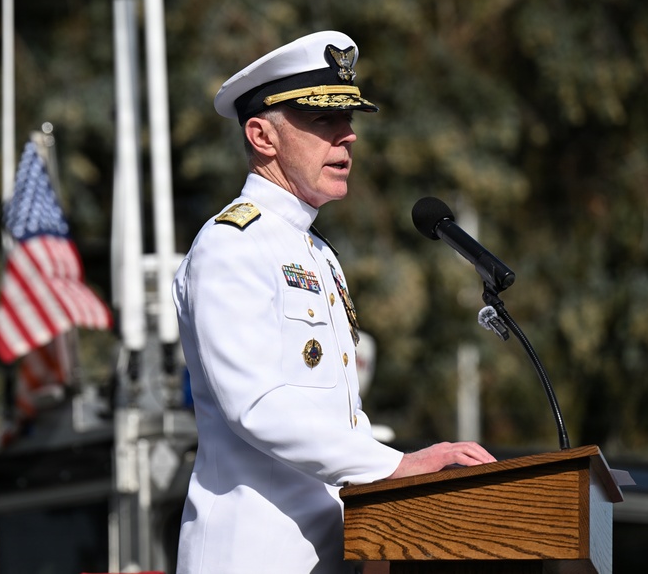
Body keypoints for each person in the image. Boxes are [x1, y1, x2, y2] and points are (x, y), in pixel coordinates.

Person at [172, 31, 496, 574]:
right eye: (324, 120)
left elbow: (337, 418)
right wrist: (397, 465)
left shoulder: (318, 254)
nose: (347, 137)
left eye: (348, 120)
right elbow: (257, 405)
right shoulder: (231, 243)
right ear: (261, 135)